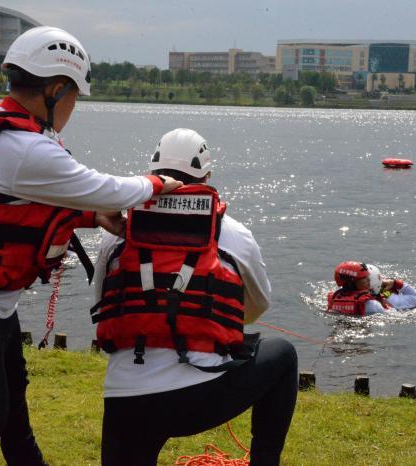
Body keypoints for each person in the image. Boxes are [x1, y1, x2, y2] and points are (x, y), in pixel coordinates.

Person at [0, 26, 181, 466]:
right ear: (54, 89)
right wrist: (157, 183)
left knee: (13, 413)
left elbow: (7, 205)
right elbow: (105, 188)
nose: (73, 108)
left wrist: (92, 217)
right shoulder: (26, 147)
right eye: (74, 97)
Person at [92, 128, 298, 466]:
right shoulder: (234, 233)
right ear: (207, 177)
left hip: (123, 400)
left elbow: (104, 302)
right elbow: (255, 309)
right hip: (200, 399)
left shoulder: (117, 230)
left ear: (153, 173)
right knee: (284, 355)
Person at [326, 262, 416, 316]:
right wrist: (396, 283)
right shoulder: (375, 304)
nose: (368, 280)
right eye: (365, 278)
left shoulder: (335, 298)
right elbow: (414, 298)